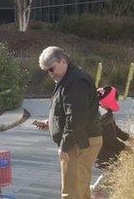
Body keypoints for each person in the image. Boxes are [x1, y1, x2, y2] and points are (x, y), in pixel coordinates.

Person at [33, 47, 102, 199]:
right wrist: (51, 122)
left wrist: (65, 145)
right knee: (81, 191)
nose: (50, 74)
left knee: (72, 193)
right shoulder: (69, 78)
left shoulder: (75, 81)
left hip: (79, 142)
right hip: (81, 140)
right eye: (46, 71)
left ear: (63, 61)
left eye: (51, 69)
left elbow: (77, 118)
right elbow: (70, 111)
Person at [90, 86, 129, 194]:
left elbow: (115, 130)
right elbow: (110, 139)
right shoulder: (100, 117)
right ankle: (96, 189)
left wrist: (128, 137)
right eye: (115, 100)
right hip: (104, 151)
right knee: (109, 171)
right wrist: (126, 147)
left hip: (110, 150)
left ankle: (104, 189)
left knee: (113, 171)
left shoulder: (107, 113)